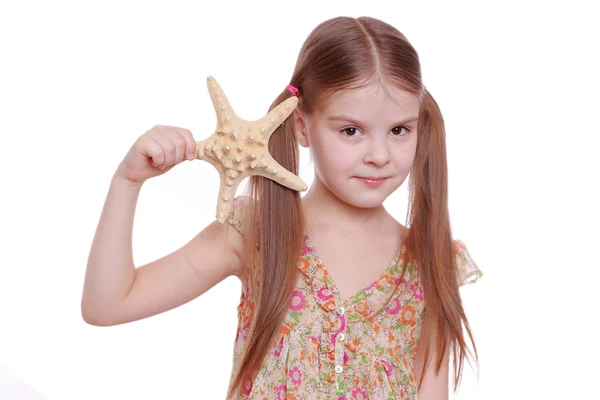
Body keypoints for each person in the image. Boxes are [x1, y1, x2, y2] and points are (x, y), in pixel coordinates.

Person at [81, 15, 483, 400]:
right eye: (351, 131)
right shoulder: (257, 231)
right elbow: (108, 305)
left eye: (399, 130)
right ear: (301, 126)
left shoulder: (430, 261)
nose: (378, 155)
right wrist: (127, 182)